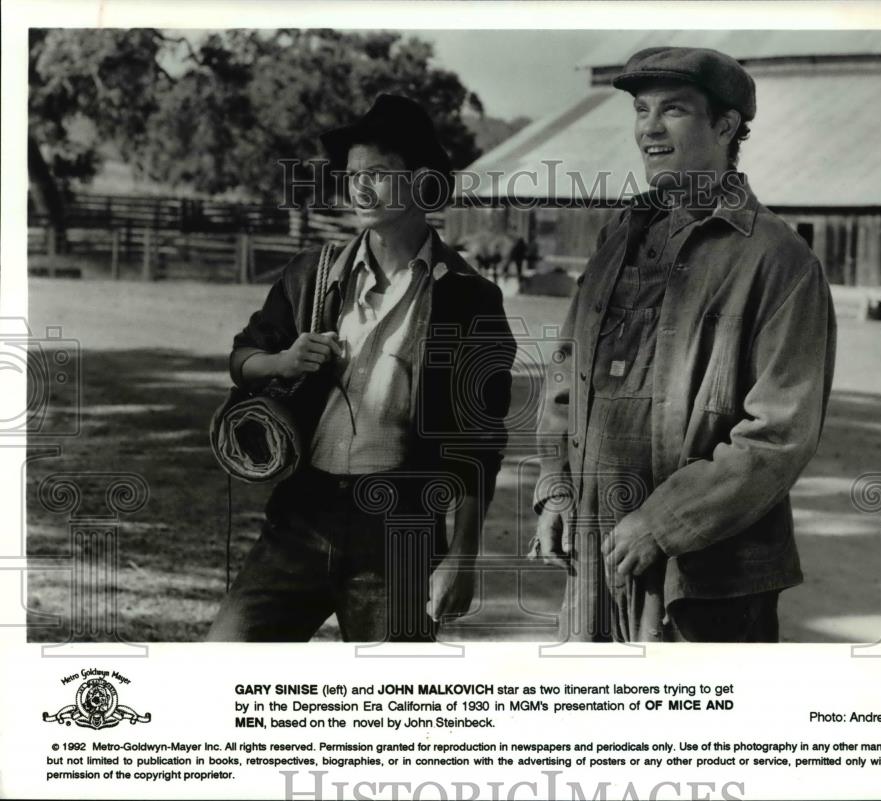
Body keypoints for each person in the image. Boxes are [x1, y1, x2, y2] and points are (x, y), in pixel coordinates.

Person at [531, 47, 837, 642]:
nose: (648, 128)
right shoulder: (619, 237)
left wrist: (664, 523)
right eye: (641, 110)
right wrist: (555, 487)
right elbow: (567, 373)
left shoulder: (777, 259)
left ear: (725, 125)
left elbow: (777, 434)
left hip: (708, 577)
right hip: (598, 553)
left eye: (673, 110)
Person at [208, 94, 515, 642]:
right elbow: (242, 361)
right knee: (225, 659)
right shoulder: (311, 275)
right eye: (353, 176)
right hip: (299, 518)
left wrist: (463, 556)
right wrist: (283, 359)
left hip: (400, 530)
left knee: (392, 707)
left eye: (378, 173)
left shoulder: (471, 300)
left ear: (423, 182)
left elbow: (479, 444)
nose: (360, 188)